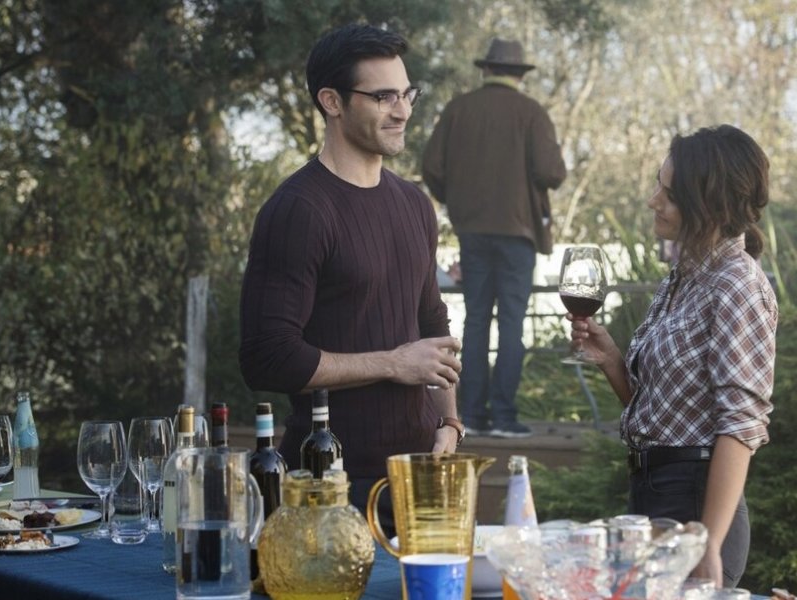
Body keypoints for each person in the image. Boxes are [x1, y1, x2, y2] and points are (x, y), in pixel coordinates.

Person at [238, 24, 463, 531]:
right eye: (383, 97)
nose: (402, 111)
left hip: (420, 476)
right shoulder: (298, 210)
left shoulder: (415, 204)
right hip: (328, 486)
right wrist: (392, 363)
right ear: (332, 102)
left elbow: (433, 327)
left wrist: (449, 423)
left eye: (407, 94)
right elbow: (267, 357)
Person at [568, 124, 777, 587]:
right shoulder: (683, 276)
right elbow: (663, 414)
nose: (653, 201)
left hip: (695, 506)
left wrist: (708, 542)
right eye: (658, 186)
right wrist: (611, 360)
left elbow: (740, 428)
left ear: (708, 205)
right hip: (652, 495)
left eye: (669, 194)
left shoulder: (737, 285)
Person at [422, 38, 567, 438]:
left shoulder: (458, 109)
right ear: (519, 74)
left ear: (485, 69)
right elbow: (552, 173)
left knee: (475, 323)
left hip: (472, 233)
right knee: (512, 325)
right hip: (518, 234)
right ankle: (504, 417)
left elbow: (431, 166)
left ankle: (469, 414)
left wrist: (457, 200)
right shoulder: (532, 112)